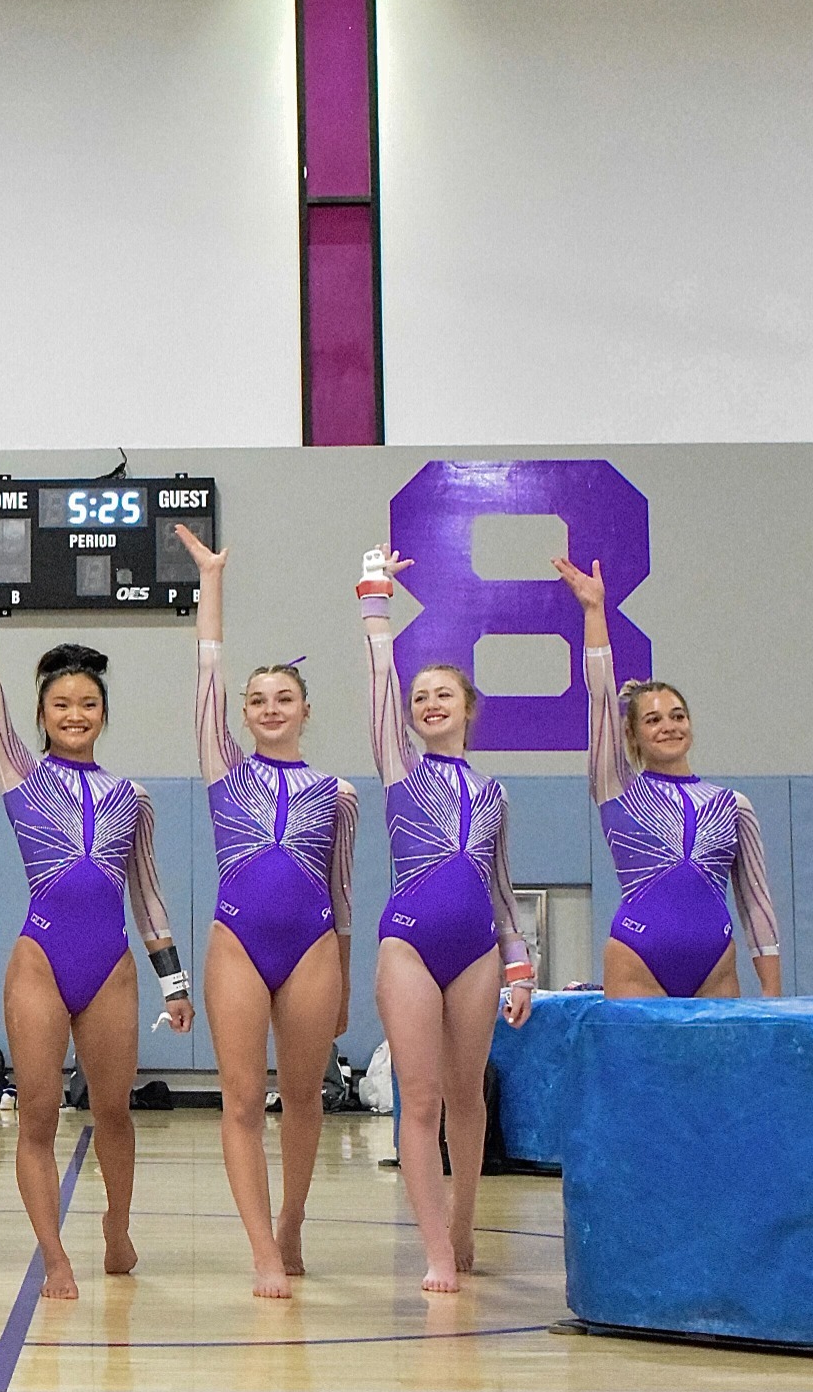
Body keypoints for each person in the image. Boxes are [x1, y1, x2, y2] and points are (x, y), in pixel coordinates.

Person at [0, 523, 194, 1302]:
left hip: (111, 965)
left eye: (88, 703)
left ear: (103, 714)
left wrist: (174, 981)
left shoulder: (130, 798)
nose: (75, 713)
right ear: (43, 715)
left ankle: (117, 1228)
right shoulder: (19, 774)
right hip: (42, 961)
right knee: (41, 1117)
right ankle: (55, 1255)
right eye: (60, 704)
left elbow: (147, 893)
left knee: (115, 1112)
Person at [174, 524, 355, 1298]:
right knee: (244, 1096)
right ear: (243, 715)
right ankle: (260, 1248)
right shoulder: (223, 770)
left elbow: (342, 891)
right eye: (258, 700)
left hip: (314, 944)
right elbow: (207, 672)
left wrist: (342, 972)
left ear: (306, 711)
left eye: (285, 698)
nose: (270, 708)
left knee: (306, 1093)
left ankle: (293, 1220)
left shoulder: (336, 792)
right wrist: (212, 581)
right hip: (238, 941)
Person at [356, 547, 532, 1294]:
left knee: (469, 1095)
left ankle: (463, 1222)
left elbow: (501, 886)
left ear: (468, 709)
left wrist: (519, 965)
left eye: (443, 696)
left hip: (479, 950)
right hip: (411, 946)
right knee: (420, 1098)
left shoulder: (492, 793)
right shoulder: (399, 766)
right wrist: (376, 598)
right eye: (420, 696)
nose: (429, 704)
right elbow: (376, 679)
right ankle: (434, 1247)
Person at [553, 555, 783, 999]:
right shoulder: (617, 789)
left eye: (677, 716)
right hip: (638, 955)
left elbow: (757, 902)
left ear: (691, 725)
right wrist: (594, 612)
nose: (669, 726)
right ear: (634, 735)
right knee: (644, 1072)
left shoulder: (733, 806)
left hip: (716, 962)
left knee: (712, 1072)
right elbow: (600, 699)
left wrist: (773, 998)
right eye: (654, 720)